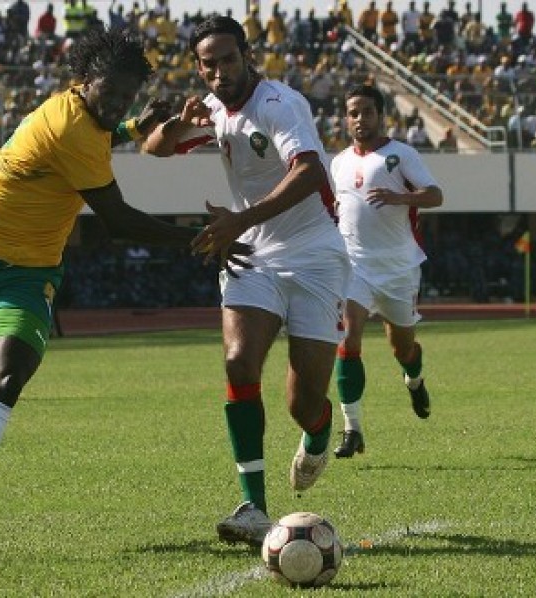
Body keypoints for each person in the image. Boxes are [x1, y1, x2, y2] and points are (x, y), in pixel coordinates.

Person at [0, 26, 251, 562]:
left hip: (28, 274)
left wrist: (133, 124)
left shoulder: (84, 115)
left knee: (8, 376)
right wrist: (200, 238)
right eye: (113, 93)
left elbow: (101, 132)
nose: (119, 103)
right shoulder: (69, 126)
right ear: (83, 82)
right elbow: (118, 221)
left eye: (129, 95)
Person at [141, 15, 350, 547]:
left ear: (247, 55)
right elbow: (155, 149)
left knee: (303, 404)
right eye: (207, 65)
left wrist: (240, 219)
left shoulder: (280, 105)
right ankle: (254, 506)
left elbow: (311, 173)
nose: (218, 73)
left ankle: (320, 432)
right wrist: (175, 126)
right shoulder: (211, 108)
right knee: (237, 361)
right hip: (252, 252)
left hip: (315, 256)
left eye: (227, 60)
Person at [330, 84, 443, 459]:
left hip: (398, 269)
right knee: (347, 341)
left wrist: (401, 198)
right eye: (352, 113)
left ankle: (414, 380)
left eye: (366, 111)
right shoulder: (339, 161)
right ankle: (353, 429)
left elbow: (434, 195)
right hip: (354, 266)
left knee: (403, 347)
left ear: (380, 115)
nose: (359, 119)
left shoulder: (400, 154)